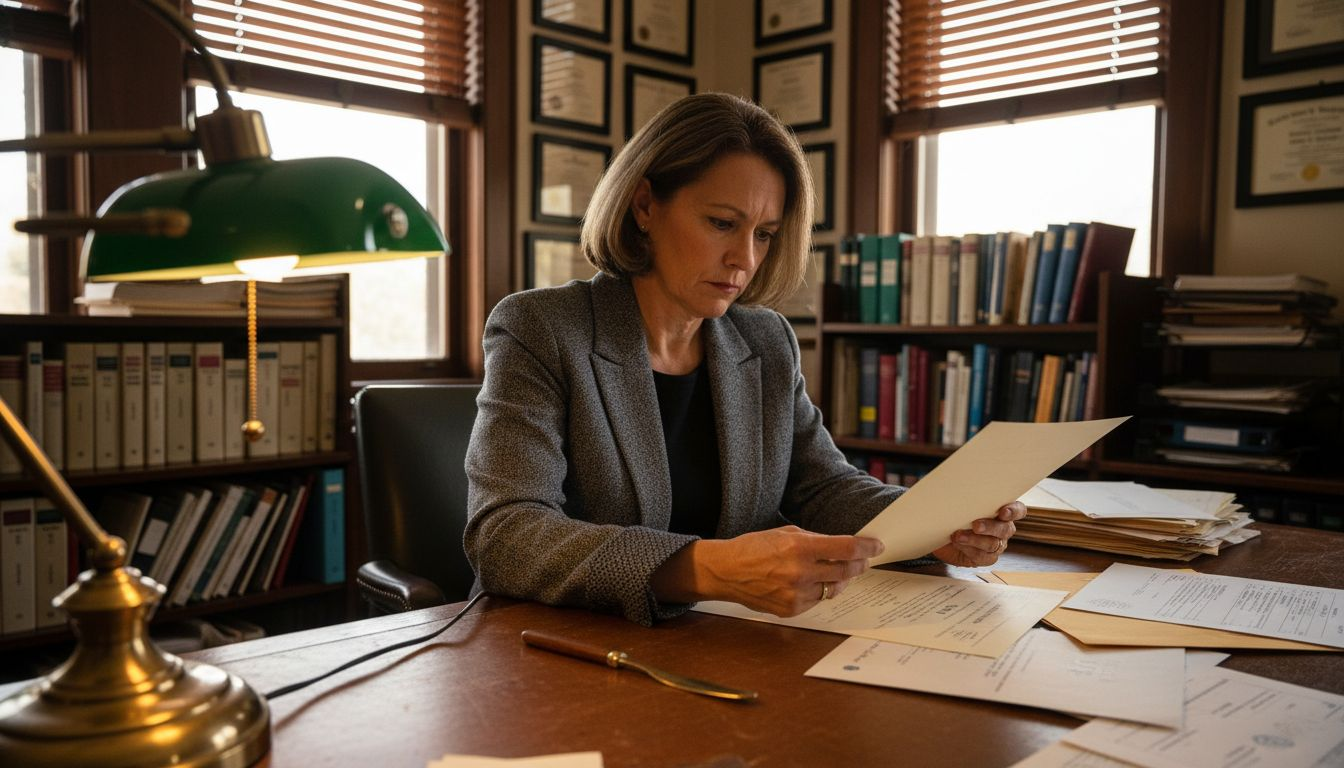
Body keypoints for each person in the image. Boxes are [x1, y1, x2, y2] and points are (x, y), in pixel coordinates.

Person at [464, 93, 1025, 626]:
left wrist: (930, 526)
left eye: (764, 234)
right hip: (557, 650)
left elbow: (821, 488)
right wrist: (707, 569)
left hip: (722, 640)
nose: (744, 258)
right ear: (644, 206)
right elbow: (507, 534)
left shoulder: (765, 340)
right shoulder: (541, 328)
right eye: (722, 224)